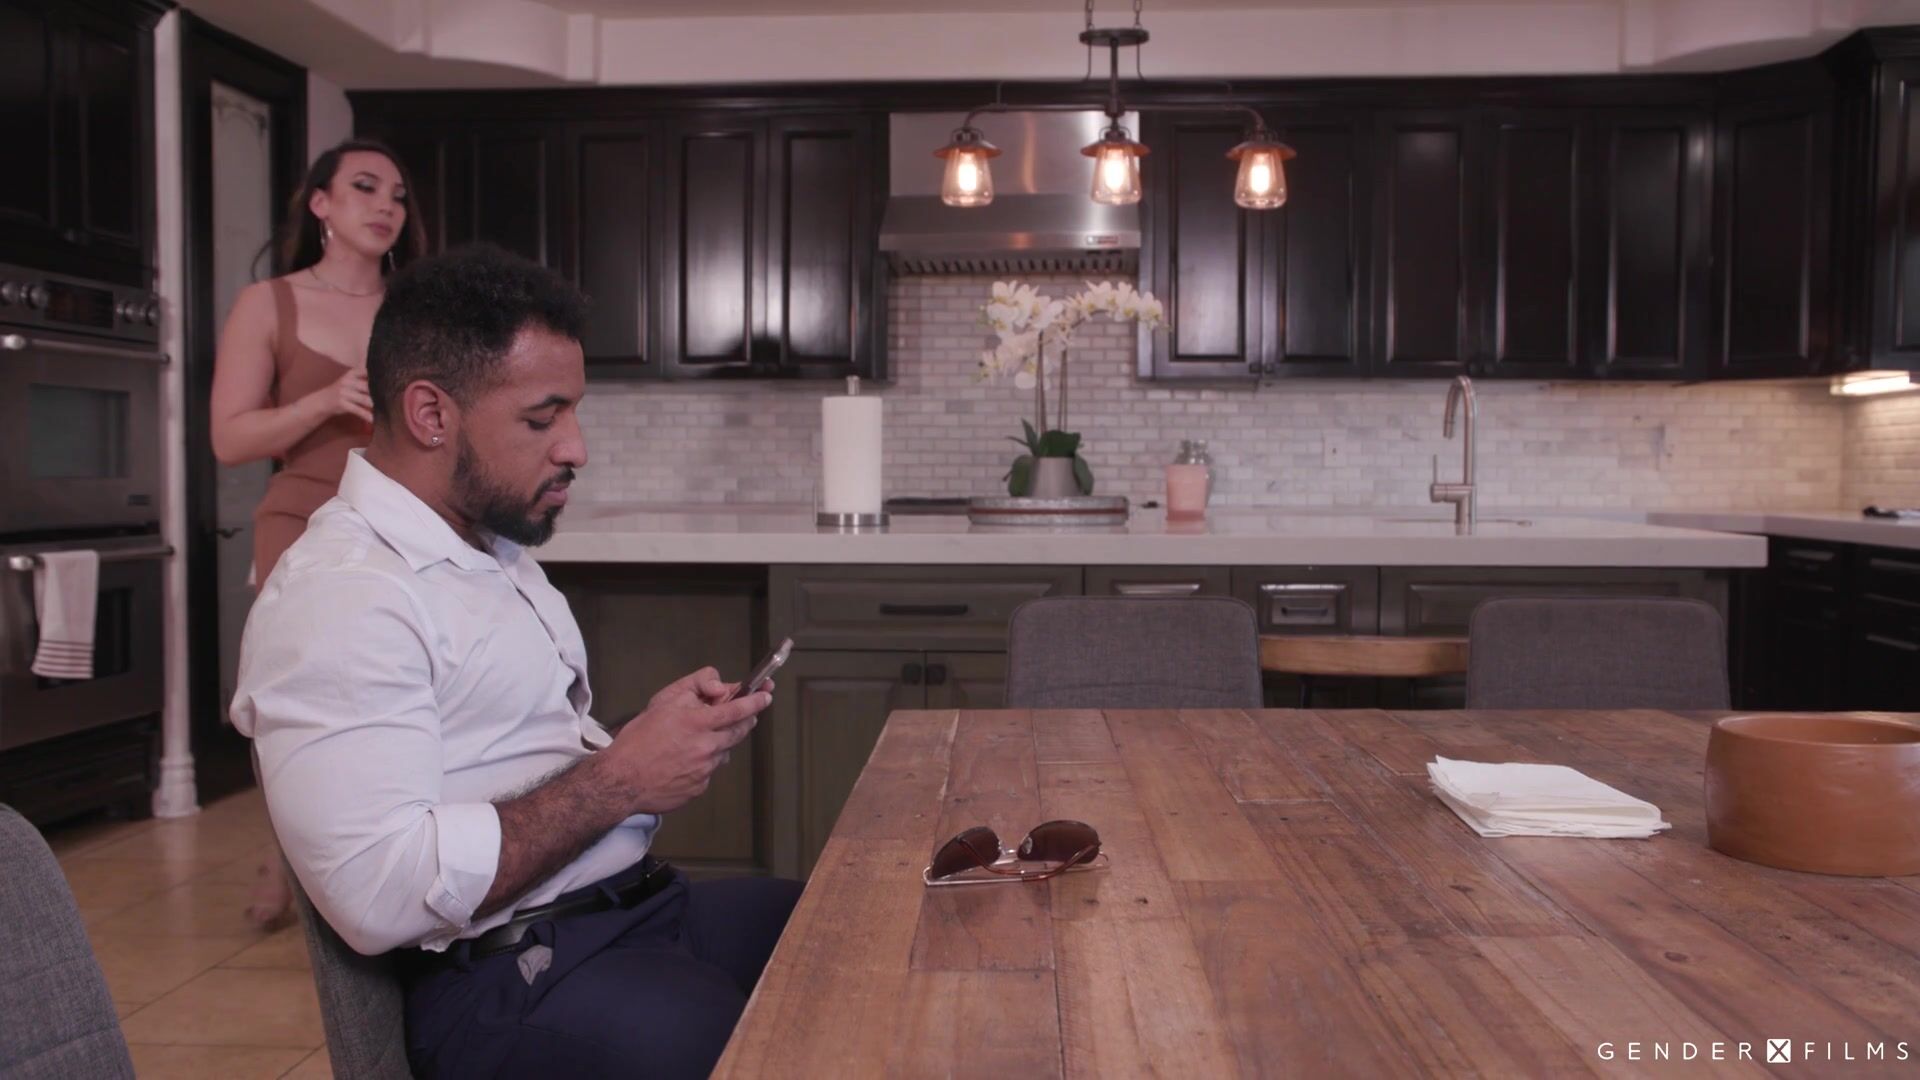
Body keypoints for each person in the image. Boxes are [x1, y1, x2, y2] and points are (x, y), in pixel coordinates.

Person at [230, 244, 798, 1079]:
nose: (577, 448)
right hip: (507, 982)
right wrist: (622, 779)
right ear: (432, 414)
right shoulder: (340, 599)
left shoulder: (492, 552)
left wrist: (643, 740)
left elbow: (512, 758)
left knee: (861, 929)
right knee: (772, 1051)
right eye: (542, 419)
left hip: (633, 915)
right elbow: (377, 894)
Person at [209, 137, 428, 928]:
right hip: (302, 520)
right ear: (321, 204)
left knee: (396, 693)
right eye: (365, 187)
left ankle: (384, 854)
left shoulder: (417, 307)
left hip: (403, 522)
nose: (386, 206)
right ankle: (286, 853)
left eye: (397, 195)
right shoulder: (268, 303)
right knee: (299, 701)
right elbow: (230, 438)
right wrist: (325, 400)